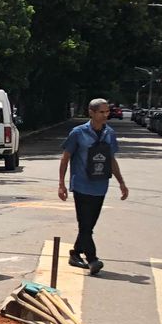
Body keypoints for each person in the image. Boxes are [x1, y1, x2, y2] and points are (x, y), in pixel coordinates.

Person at [58, 98, 129, 275]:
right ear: (91, 112)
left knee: (89, 226)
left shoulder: (109, 133)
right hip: (81, 184)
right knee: (84, 223)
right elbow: (65, 158)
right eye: (101, 112)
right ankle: (93, 259)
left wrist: (121, 182)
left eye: (107, 112)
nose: (105, 115)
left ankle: (75, 253)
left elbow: (111, 160)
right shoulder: (78, 133)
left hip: (100, 185)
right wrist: (61, 184)